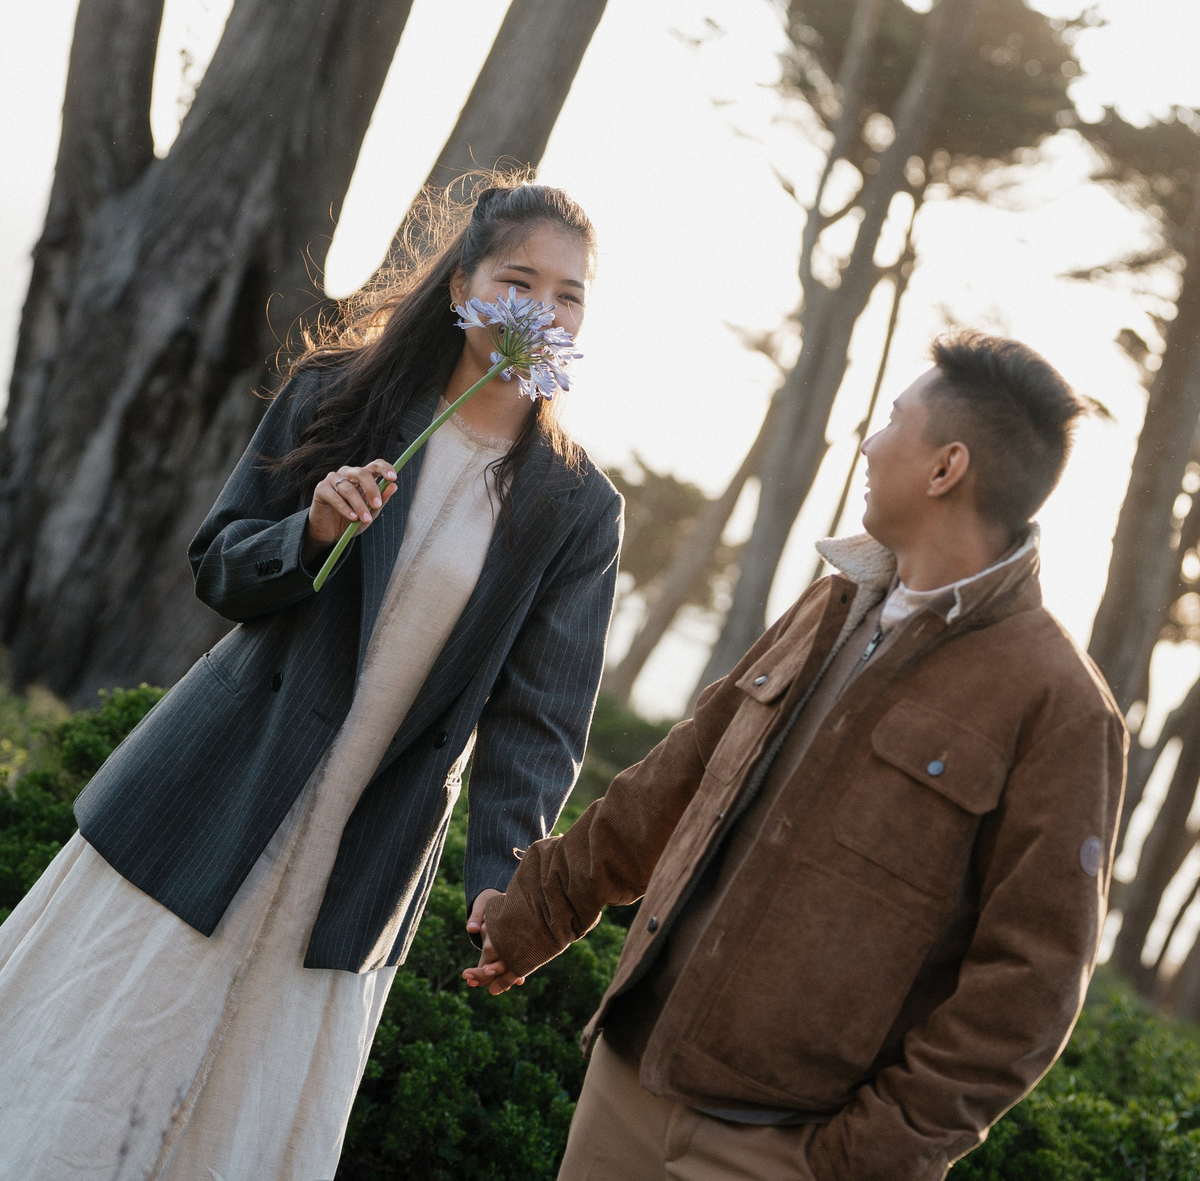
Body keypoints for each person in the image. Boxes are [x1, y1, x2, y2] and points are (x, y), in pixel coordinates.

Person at [0, 180, 621, 1181]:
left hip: (362, 849)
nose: (542, 310)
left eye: (568, 296)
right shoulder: (337, 396)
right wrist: (307, 531)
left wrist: (505, 876)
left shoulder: (576, 507)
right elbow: (219, 564)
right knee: (95, 1059)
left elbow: (538, 720)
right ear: (461, 287)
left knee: (245, 1112)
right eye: (517, 280)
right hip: (214, 790)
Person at [469, 331, 1125, 1181]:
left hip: (789, 1153)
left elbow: (1032, 981)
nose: (870, 439)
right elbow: (681, 775)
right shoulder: (835, 599)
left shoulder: (1061, 705)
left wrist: (867, 1158)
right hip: (629, 1084)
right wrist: (536, 910)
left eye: (893, 420)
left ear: (945, 467)